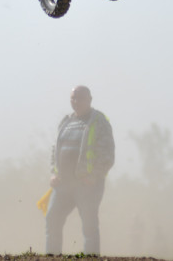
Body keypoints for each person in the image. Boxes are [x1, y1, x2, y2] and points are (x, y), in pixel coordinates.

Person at [45, 85, 115, 255]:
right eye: (73, 98)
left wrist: (94, 176)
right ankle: (51, 257)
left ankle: (90, 257)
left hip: (87, 184)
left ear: (89, 100)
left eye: (80, 98)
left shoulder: (99, 121)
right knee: (52, 219)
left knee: (89, 227)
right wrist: (54, 174)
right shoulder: (66, 122)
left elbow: (107, 154)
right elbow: (56, 150)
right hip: (63, 184)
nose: (76, 102)